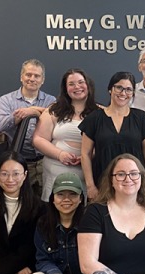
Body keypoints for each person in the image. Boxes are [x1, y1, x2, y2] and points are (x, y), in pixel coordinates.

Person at [80, 72, 145, 201]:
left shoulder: (141, 118)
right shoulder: (94, 118)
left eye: (128, 89)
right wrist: (90, 186)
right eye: (119, 87)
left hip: (134, 184)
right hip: (102, 184)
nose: (123, 93)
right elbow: (85, 154)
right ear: (110, 89)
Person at [32, 68, 99, 201]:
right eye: (71, 84)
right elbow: (38, 139)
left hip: (87, 174)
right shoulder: (54, 110)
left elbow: (105, 143)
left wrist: (87, 156)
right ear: (65, 88)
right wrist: (60, 155)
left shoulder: (100, 112)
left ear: (88, 85)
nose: (77, 87)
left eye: (81, 82)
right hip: (55, 170)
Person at [0, 59, 56, 195]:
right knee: (21, 203)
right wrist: (22, 115)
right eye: (28, 75)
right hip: (19, 163)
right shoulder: (6, 100)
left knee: (45, 204)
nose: (32, 79)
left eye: (37, 76)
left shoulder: (51, 101)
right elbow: (2, 125)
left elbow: (57, 121)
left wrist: (33, 110)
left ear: (42, 80)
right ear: (21, 77)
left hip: (45, 162)